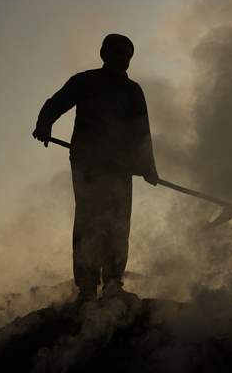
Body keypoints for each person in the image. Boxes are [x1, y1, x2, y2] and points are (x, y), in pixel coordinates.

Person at [32, 34, 158, 302]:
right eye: (118, 52)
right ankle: (87, 288)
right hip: (88, 164)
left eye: (127, 54)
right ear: (104, 53)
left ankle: (113, 284)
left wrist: (149, 166)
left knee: (118, 225)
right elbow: (56, 103)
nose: (123, 58)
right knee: (88, 224)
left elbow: (142, 132)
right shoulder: (85, 81)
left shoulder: (132, 91)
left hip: (120, 169)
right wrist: (45, 123)